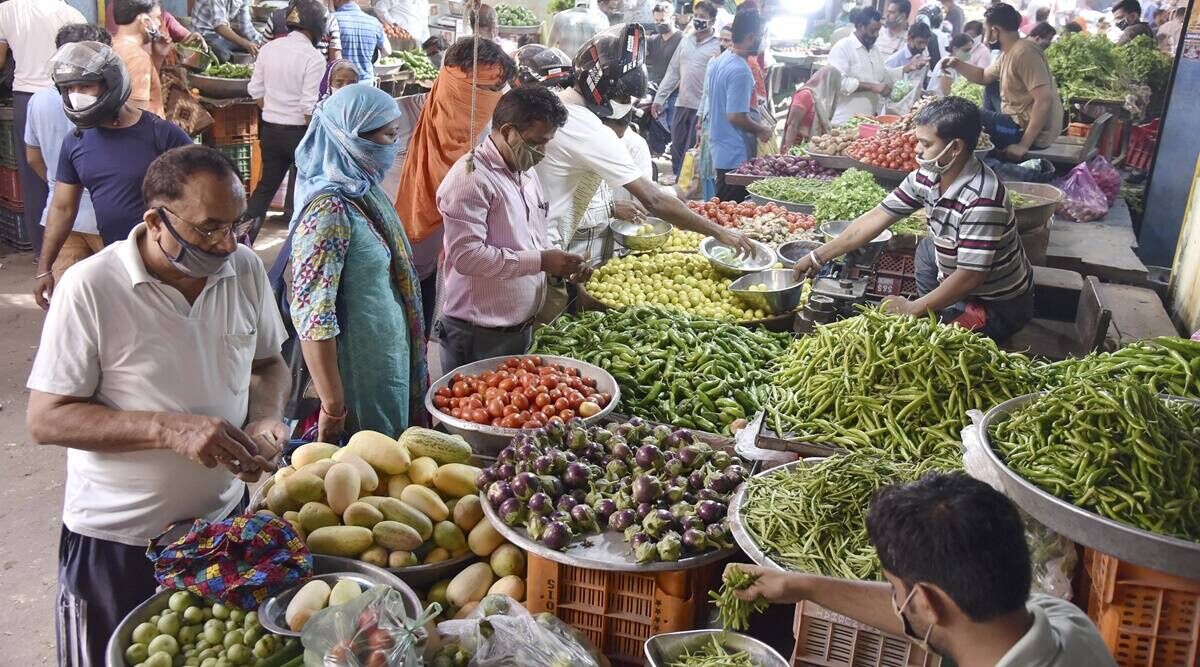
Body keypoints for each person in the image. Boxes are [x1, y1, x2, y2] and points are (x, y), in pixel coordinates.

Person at [28, 144, 288, 667]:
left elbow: (269, 364)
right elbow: (46, 417)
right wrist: (169, 429)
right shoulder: (90, 287)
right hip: (118, 542)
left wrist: (266, 417)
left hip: (221, 528)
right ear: (155, 221)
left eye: (235, 225)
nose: (227, 243)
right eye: (209, 228)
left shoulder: (243, 269)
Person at [728, 473, 1116, 667]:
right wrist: (803, 586)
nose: (897, 603)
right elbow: (935, 613)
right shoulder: (1068, 623)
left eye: (897, 591)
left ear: (927, 602)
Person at [793, 98, 1033, 341]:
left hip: (995, 304)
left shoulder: (982, 198)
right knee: (928, 249)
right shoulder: (928, 175)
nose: (917, 149)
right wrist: (818, 256)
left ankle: (951, 317)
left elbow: (971, 276)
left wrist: (912, 308)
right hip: (959, 275)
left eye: (926, 143)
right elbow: (878, 216)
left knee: (943, 346)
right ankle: (940, 311)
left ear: (955, 147)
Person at [537, 23, 752, 264]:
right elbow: (654, 200)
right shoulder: (587, 128)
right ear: (601, 89)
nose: (626, 104)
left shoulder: (557, 103)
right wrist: (720, 232)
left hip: (535, 237)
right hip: (543, 246)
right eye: (623, 96)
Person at [290, 84, 428, 443]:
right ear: (350, 138)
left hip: (383, 361)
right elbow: (313, 317)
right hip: (356, 377)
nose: (395, 146)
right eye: (389, 136)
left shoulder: (362, 191)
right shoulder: (328, 212)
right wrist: (334, 405)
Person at [34, 41, 194, 309]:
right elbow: (62, 208)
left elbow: (204, 187)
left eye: (85, 87)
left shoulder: (161, 134)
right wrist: (44, 268)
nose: (76, 96)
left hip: (169, 267)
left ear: (111, 83)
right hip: (120, 264)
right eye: (69, 89)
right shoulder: (75, 143)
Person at [435, 87, 581, 372]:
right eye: (536, 142)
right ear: (507, 131)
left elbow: (532, 238)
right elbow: (467, 257)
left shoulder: (525, 172)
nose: (542, 153)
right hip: (479, 334)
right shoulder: (471, 178)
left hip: (519, 328)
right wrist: (541, 261)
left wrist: (559, 265)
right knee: (472, 400)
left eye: (547, 143)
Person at [396, 37, 515, 330]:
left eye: (497, 91)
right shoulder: (396, 122)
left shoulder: (496, 132)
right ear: (454, 85)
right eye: (482, 90)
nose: (490, 99)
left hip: (453, 274)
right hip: (393, 262)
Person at [0, 0, 86, 255]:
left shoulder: (7, 10)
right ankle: (79, 243)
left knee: (34, 179)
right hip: (69, 93)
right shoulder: (71, 13)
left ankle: (43, 252)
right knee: (76, 168)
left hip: (26, 98)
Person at [25, 24, 108, 282]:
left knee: (67, 297)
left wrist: (60, 184)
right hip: (104, 216)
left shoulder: (38, 100)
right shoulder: (107, 101)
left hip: (59, 219)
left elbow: (33, 158)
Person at [245, 0, 328, 228]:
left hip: (270, 132)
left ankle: (242, 239)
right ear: (316, 25)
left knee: (265, 189)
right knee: (307, 191)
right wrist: (316, 138)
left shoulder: (268, 49)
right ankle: (302, 243)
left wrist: (275, 112)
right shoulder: (314, 57)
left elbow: (255, 91)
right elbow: (308, 107)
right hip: (299, 134)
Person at [945, 2, 1064, 161]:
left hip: (1025, 133)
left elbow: (1044, 99)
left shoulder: (1024, 53)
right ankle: (990, 136)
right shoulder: (1009, 52)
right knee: (991, 86)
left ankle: (987, 150)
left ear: (995, 31)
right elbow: (983, 76)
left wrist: (1023, 145)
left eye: (986, 30)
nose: (985, 36)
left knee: (966, 114)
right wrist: (956, 63)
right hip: (1017, 121)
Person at [706, 10, 772, 202]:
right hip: (735, 153)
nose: (763, 41)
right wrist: (761, 129)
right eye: (761, 36)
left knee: (723, 205)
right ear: (750, 37)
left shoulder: (722, 59)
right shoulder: (740, 70)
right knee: (731, 209)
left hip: (721, 148)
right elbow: (735, 116)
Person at [654, 1, 721, 175]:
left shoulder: (718, 45)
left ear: (713, 21)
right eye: (696, 15)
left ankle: (686, 185)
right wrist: (659, 98)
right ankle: (679, 180)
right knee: (676, 147)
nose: (698, 19)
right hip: (682, 103)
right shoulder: (686, 40)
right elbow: (673, 71)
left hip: (702, 109)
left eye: (703, 17)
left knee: (691, 151)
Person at [828, 8, 925, 124]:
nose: (876, 35)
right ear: (860, 26)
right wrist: (872, 87)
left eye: (878, 31)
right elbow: (839, 82)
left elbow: (883, 75)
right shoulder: (843, 47)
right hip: (844, 120)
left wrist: (906, 68)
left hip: (867, 119)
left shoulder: (874, 50)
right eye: (873, 30)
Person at [112, 0, 169, 118]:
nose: (159, 23)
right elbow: (136, 115)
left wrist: (158, 58)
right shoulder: (138, 57)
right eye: (157, 17)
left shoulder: (111, 45)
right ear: (146, 21)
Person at [781, 67, 841, 152]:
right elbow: (792, 125)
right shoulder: (805, 95)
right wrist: (788, 151)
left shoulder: (820, 100)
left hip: (812, 147)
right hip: (797, 147)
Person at [265, 0, 344, 61]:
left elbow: (264, 54)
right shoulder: (329, 19)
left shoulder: (275, 17)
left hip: (281, 74)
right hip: (318, 74)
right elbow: (335, 60)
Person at [192, 0, 265, 63]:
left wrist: (262, 42)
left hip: (221, 38)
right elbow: (220, 27)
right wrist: (245, 43)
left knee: (252, 48)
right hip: (204, 37)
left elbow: (246, 27)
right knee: (224, 56)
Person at [336, 0, 391, 80]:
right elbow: (387, 51)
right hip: (366, 83)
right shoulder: (374, 22)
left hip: (341, 83)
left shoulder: (332, 20)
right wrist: (372, 59)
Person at [648, 2, 684, 85]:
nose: (659, 23)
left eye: (662, 20)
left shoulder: (682, 40)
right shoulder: (653, 40)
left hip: (674, 88)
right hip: (654, 86)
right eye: (656, 20)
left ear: (673, 19)